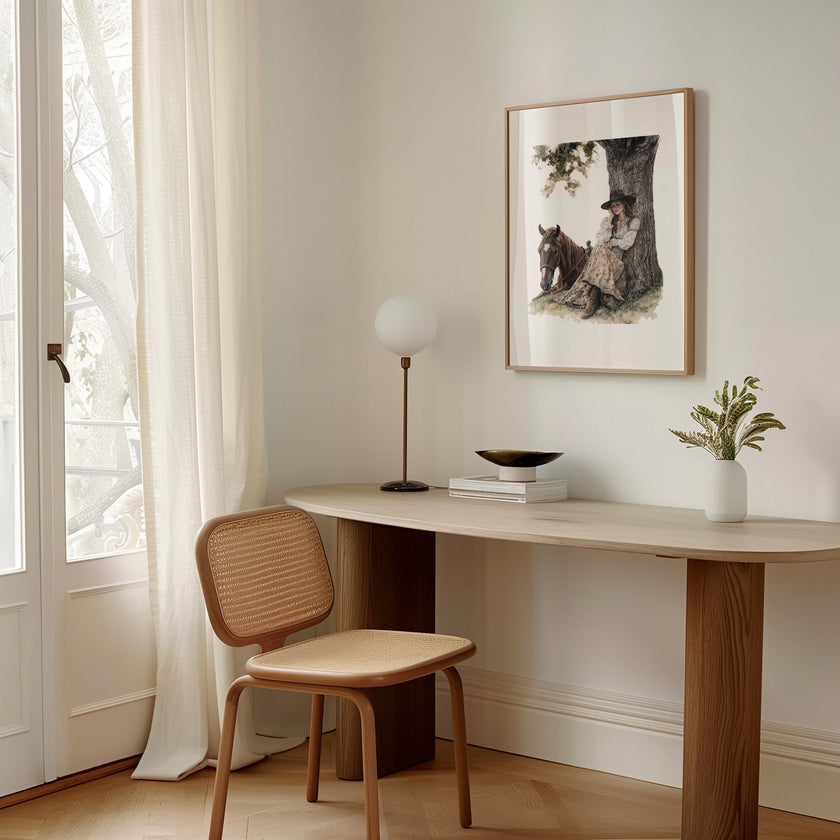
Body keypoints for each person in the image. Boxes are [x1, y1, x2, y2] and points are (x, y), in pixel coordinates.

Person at [558, 189, 641, 319]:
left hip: (616, 262)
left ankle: (593, 299)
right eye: (612, 206)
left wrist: (612, 242)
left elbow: (627, 243)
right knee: (601, 246)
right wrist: (610, 221)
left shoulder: (633, 222)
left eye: (618, 204)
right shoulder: (606, 222)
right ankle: (596, 298)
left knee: (601, 247)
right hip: (601, 262)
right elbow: (601, 239)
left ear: (624, 204)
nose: (615, 208)